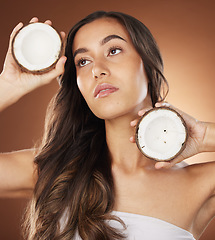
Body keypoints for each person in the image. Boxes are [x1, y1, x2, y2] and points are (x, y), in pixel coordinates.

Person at [0, 11, 215, 240]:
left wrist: (204, 135)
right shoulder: (54, 171)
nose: (97, 70)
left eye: (113, 50)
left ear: (148, 62)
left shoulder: (202, 184)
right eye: (83, 61)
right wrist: (8, 85)